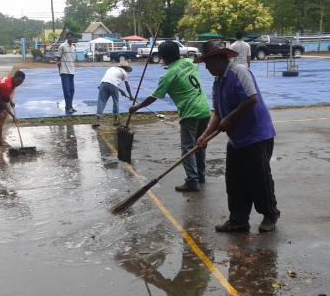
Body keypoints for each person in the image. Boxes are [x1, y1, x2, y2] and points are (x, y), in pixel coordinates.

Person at [195, 40, 279, 233]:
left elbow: (251, 99)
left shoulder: (239, 72)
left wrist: (230, 119)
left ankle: (270, 215)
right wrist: (205, 136)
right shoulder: (218, 83)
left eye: (208, 63)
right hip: (237, 139)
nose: (207, 68)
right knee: (234, 181)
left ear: (220, 59)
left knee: (259, 180)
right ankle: (238, 219)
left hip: (257, 135)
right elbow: (217, 113)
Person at [129, 40, 211, 192]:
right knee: (199, 145)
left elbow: (154, 97)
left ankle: (192, 181)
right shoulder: (187, 62)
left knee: (188, 148)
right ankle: (200, 176)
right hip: (205, 109)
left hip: (190, 112)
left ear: (162, 57)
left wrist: (137, 107)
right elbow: (191, 64)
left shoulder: (168, 76)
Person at [92, 60, 133, 127]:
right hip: (113, 86)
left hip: (103, 84)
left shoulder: (111, 68)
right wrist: (130, 96)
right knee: (115, 102)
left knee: (101, 102)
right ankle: (115, 121)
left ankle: (97, 121)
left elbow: (108, 80)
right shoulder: (124, 72)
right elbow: (127, 85)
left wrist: (120, 91)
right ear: (125, 68)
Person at [57, 32, 77, 115]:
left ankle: (69, 106)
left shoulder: (73, 47)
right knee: (67, 90)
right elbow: (58, 57)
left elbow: (73, 59)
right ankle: (68, 107)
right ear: (66, 38)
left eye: (72, 37)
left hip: (72, 71)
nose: (70, 39)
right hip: (64, 71)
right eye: (69, 37)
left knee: (72, 90)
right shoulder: (62, 46)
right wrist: (59, 65)